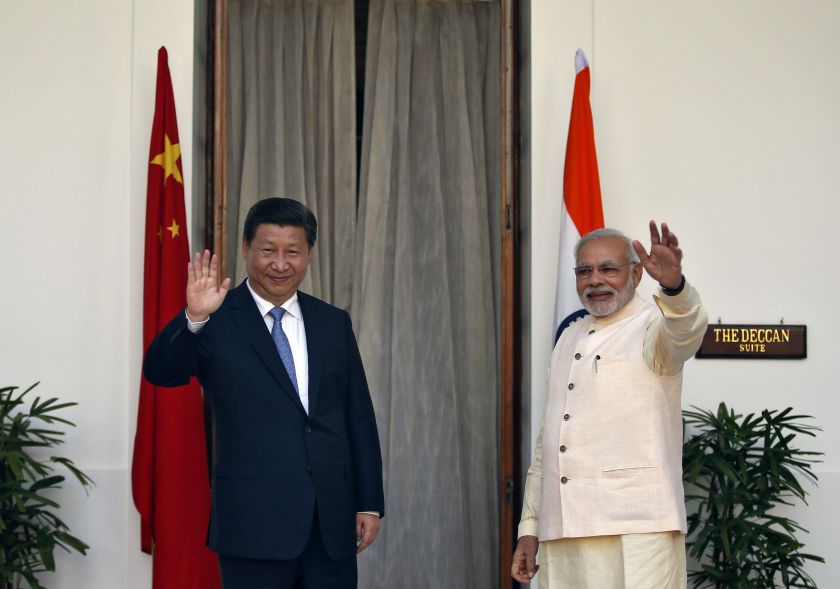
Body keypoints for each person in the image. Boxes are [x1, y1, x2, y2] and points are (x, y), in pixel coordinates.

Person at [144, 197, 384, 589]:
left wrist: (368, 501)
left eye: (293, 252)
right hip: (252, 524)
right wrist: (195, 318)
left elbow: (357, 415)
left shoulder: (332, 322)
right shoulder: (217, 317)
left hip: (330, 522)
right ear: (246, 249)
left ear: (308, 254)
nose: (280, 264)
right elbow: (161, 372)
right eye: (267, 250)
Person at [512, 221, 708, 588]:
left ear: (635, 273)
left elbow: (687, 332)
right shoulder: (568, 336)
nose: (595, 280)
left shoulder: (654, 324)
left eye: (608, 269)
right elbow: (548, 443)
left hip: (637, 529)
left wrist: (675, 289)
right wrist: (530, 528)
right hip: (564, 531)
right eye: (584, 271)